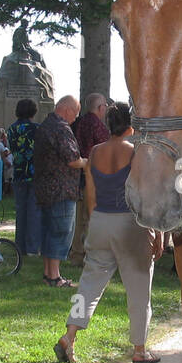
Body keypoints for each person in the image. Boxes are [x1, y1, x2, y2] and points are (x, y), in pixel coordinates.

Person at [54, 103, 163, 363]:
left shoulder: (95, 151)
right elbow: (148, 195)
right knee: (138, 291)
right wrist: (159, 233)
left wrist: (96, 224)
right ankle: (139, 349)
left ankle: (70, 335)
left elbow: (90, 196)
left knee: (88, 286)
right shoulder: (137, 152)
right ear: (131, 124)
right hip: (131, 224)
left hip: (101, 220)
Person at [34, 95, 87, 287]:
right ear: (68, 110)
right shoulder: (62, 128)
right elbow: (72, 159)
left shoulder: (45, 126)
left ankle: (49, 273)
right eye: (76, 113)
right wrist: (87, 163)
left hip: (44, 188)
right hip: (61, 189)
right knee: (61, 232)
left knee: (49, 231)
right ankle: (55, 277)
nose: (75, 118)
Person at [69, 93, 110, 266]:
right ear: (101, 108)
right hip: (93, 176)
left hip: (77, 175)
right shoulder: (98, 126)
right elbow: (104, 151)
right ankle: (88, 255)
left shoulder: (78, 122)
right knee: (92, 218)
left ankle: (76, 253)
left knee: (79, 219)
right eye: (105, 106)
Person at [9, 98, 42, 259]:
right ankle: (32, 247)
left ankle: (19, 245)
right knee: (34, 212)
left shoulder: (12, 129)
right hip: (35, 174)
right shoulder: (37, 128)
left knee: (21, 211)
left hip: (19, 172)